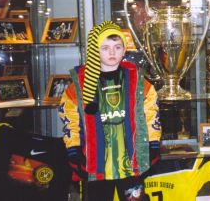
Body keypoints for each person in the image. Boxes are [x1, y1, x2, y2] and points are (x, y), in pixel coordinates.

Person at [58, 21, 162, 201]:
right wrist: (73, 150)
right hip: (94, 165)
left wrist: (153, 144)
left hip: (131, 164)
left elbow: (151, 113)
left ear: (124, 50)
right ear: (94, 51)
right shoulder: (80, 85)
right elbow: (70, 119)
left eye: (117, 47)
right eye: (105, 47)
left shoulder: (138, 80)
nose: (112, 52)